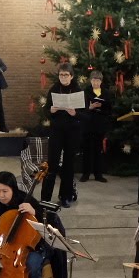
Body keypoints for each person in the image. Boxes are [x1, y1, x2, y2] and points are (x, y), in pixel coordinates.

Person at [41, 65, 86, 207]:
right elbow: (46, 111)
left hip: (72, 132)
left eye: (66, 75)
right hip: (56, 131)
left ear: (71, 76)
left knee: (68, 165)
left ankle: (65, 196)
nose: (63, 77)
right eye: (61, 75)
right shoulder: (54, 89)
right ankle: (45, 198)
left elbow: (85, 115)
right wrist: (51, 110)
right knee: (52, 164)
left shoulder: (78, 90)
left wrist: (75, 113)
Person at [79, 68, 110, 183]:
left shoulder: (105, 93)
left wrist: (100, 108)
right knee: (86, 151)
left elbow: (109, 108)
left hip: (100, 125)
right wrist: (90, 108)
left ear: (101, 81)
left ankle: (98, 174)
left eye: (98, 80)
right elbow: (80, 109)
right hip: (87, 125)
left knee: (98, 151)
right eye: (93, 80)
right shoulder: (85, 92)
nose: (96, 82)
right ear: (90, 81)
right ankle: (85, 174)